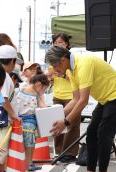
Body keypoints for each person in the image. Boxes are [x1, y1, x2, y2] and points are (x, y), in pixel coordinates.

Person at [45, 46, 116, 172]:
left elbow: (83, 101)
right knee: (91, 133)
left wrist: (65, 122)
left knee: (104, 134)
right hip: (105, 99)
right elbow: (75, 99)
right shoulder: (71, 70)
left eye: (55, 66)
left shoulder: (84, 64)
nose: (55, 71)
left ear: (63, 60)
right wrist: (56, 116)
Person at [48, 32, 81, 163]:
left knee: (72, 124)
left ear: (67, 44)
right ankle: (59, 152)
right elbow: (51, 80)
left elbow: (71, 77)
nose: (58, 45)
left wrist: (60, 75)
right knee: (57, 124)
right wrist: (50, 78)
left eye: (61, 42)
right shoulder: (53, 62)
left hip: (71, 95)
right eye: (56, 43)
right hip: (57, 95)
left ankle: (71, 153)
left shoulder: (71, 59)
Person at [14, 74, 49, 171]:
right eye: (44, 89)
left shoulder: (17, 91)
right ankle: (27, 164)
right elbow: (44, 108)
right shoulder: (37, 96)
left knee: (17, 146)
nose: (43, 92)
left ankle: (20, 166)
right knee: (28, 147)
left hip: (16, 122)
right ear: (38, 85)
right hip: (30, 124)